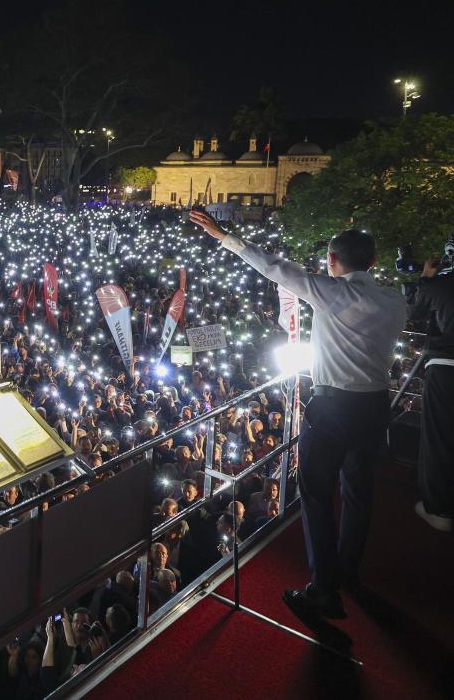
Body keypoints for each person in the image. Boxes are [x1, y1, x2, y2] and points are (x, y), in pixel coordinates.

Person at [191, 211, 406, 619]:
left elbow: (274, 268)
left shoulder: (332, 293)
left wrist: (223, 235)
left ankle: (324, 588)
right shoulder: (394, 300)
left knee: (316, 493)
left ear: (331, 260)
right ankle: (349, 571)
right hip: (376, 405)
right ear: (374, 262)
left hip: (333, 407)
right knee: (359, 492)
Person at [408, 240, 454, 532]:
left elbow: (413, 312)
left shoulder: (440, 286)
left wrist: (426, 278)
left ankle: (440, 510)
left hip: (447, 367)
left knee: (440, 437)